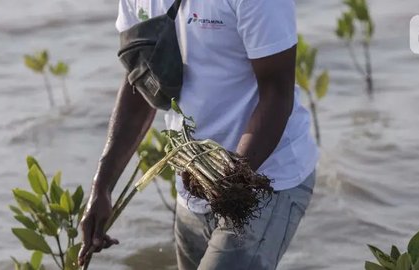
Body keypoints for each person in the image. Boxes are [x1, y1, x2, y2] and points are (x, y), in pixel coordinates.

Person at [78, 0, 319, 269]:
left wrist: (228, 183)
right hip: (193, 188)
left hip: (263, 179)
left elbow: (277, 93)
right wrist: (102, 187)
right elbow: (141, 80)